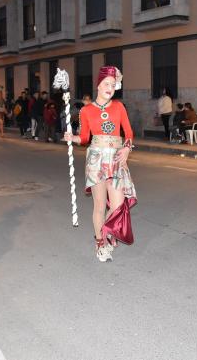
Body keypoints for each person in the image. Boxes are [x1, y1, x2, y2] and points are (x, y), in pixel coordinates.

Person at [64, 66, 136, 262]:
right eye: (106, 84)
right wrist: (73, 137)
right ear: (98, 84)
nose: (110, 88)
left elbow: (128, 133)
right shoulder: (86, 110)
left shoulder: (119, 107)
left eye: (113, 85)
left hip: (116, 157)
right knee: (99, 205)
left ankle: (108, 230)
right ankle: (100, 242)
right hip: (96, 158)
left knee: (118, 204)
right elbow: (86, 137)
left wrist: (127, 148)